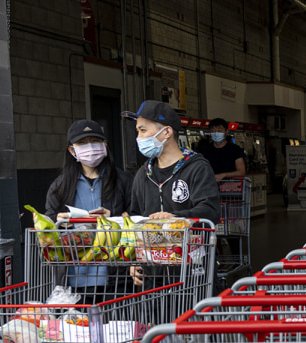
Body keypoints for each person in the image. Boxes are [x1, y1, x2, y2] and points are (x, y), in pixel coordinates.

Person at [124, 100, 222, 292]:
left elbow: (210, 211)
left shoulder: (197, 168)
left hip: (193, 273)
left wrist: (176, 218)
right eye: (138, 131)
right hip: (154, 275)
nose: (139, 137)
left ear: (166, 132)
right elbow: (135, 218)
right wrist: (135, 260)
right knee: (156, 321)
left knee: (192, 320)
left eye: (143, 131)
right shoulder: (143, 174)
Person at [43, 120, 130, 302]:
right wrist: (58, 221)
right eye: (82, 143)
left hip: (114, 274)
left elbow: (134, 216)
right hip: (74, 276)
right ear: (72, 150)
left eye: (94, 141)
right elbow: (48, 223)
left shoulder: (122, 180)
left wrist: (113, 218)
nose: (90, 147)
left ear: (105, 145)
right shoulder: (60, 186)